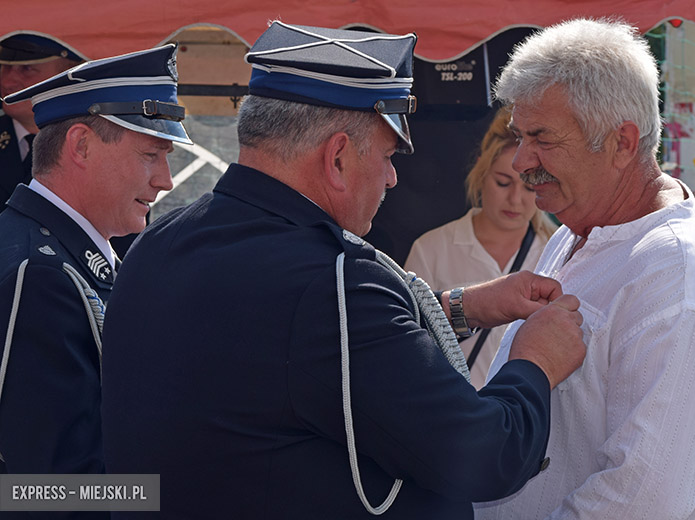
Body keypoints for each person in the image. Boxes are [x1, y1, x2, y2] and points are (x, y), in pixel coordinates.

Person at [100, 22, 586, 519]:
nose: (393, 177)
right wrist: (535, 363)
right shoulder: (334, 285)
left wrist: (460, 309)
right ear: (336, 158)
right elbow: (486, 456)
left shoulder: (158, 244)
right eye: (387, 155)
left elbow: (288, 353)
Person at [474, 18, 695, 520]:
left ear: (622, 143)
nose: (522, 160)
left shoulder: (681, 273)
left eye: (542, 137)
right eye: (520, 136)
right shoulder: (582, 224)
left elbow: (641, 502)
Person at [0, 43, 189, 499]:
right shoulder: (41, 275)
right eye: (150, 155)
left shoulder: (54, 254)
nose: (165, 179)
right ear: (81, 145)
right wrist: (185, 495)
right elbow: (46, 491)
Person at [405, 107, 558, 388]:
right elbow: (407, 345)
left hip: (527, 416)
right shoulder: (432, 249)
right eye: (503, 182)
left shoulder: (555, 252)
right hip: (454, 417)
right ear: (481, 170)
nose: (515, 199)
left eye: (528, 187)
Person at [0, 33, 85, 210]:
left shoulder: (99, 143)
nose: (7, 82)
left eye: (27, 69)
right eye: (4, 67)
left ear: (68, 74)